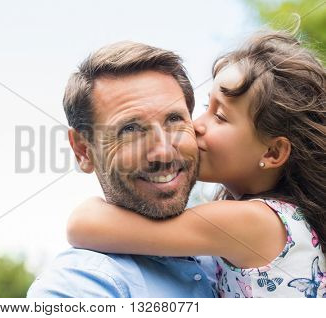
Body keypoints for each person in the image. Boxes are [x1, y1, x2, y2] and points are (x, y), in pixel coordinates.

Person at [67, 31, 326, 298]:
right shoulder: (276, 218)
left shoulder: (253, 222)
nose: (196, 124)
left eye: (220, 117)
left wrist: (91, 206)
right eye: (205, 106)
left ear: (272, 152)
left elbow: (83, 226)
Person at [27, 41, 217, 297]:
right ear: (84, 150)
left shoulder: (230, 257)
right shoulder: (76, 288)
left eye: (174, 120)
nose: (163, 151)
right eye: (129, 129)